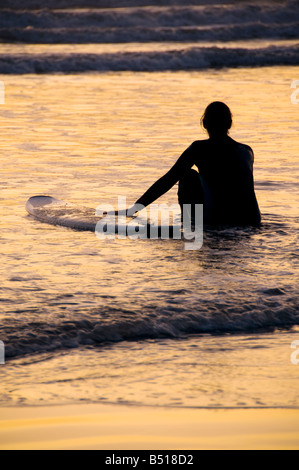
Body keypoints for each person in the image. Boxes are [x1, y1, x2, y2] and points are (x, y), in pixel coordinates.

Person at [127, 101, 261, 226]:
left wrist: (133, 209)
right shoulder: (247, 151)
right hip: (251, 220)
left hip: (217, 220)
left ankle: (191, 224)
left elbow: (169, 179)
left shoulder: (199, 148)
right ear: (230, 124)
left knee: (187, 175)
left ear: (204, 123)